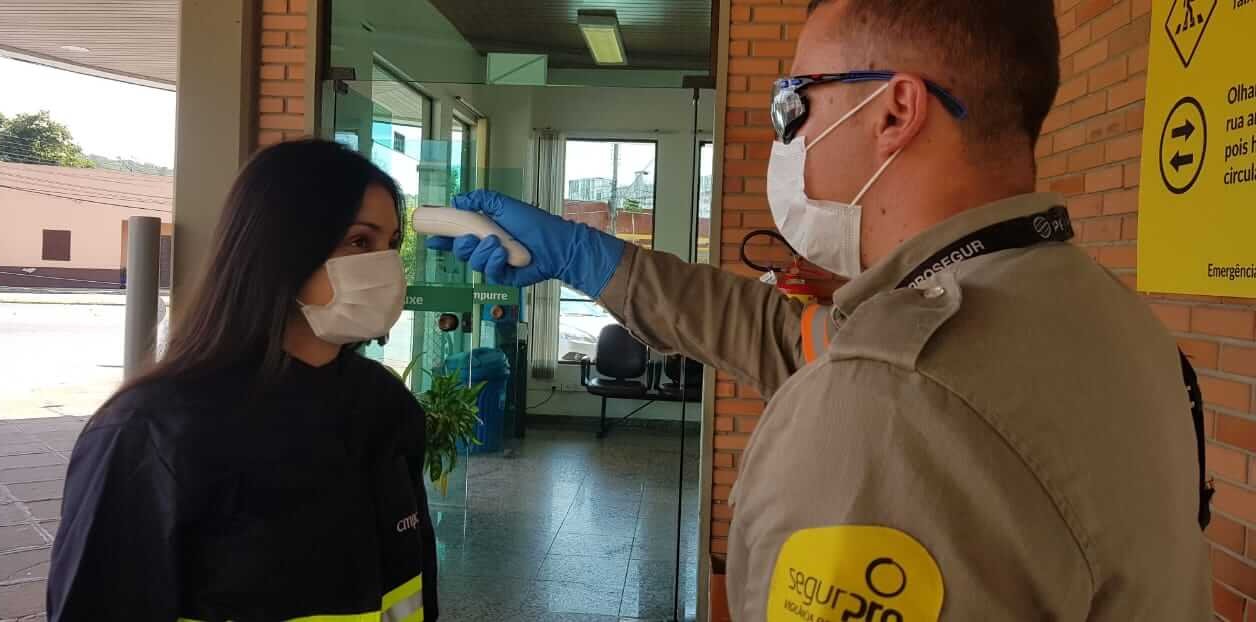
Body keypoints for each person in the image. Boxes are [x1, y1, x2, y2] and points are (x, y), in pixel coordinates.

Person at [428, 0, 1212, 619]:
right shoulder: (1100, 315)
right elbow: (788, 337)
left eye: (793, 104)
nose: (784, 136)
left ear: (895, 112)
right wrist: (583, 257)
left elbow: (863, 371)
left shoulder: (895, 398)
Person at [47, 139, 438, 621]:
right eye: (359, 242)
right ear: (281, 247)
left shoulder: (384, 404)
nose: (386, 266)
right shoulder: (153, 429)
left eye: (391, 244)